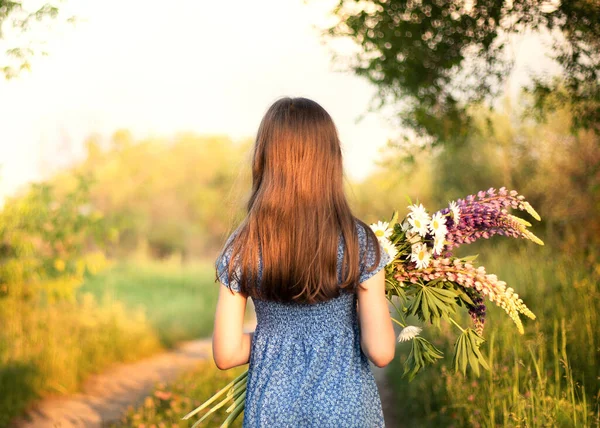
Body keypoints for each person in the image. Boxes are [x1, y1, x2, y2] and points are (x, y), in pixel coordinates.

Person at [212, 96, 396, 427]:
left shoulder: (243, 246)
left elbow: (226, 354)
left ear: (264, 160)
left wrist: (277, 342)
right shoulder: (360, 243)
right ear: (331, 161)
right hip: (347, 411)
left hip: (273, 411)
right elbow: (381, 351)